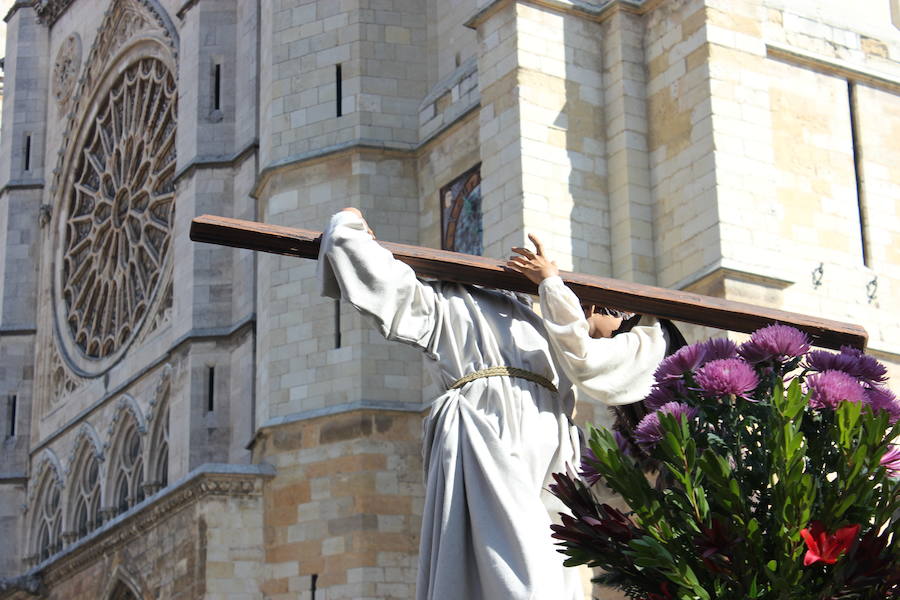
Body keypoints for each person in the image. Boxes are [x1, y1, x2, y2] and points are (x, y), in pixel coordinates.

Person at [318, 208, 585, 600]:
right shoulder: (442, 302)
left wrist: (552, 283)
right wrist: (350, 221)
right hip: (487, 429)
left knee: (553, 561)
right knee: (515, 566)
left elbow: (587, 354)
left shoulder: (533, 316)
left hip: (549, 434)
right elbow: (361, 261)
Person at [507, 234, 670, 409]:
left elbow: (583, 355)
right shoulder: (642, 337)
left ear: (589, 308)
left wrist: (550, 282)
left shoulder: (653, 334)